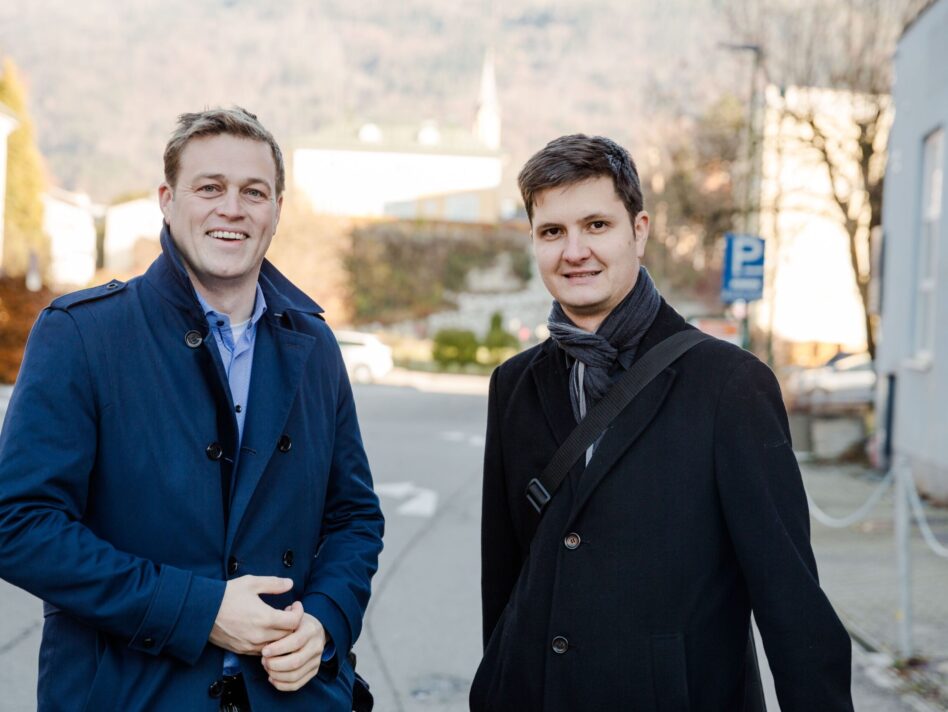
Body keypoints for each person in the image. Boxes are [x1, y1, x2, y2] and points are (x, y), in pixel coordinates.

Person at [0, 107, 384, 711]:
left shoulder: (314, 347)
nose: (232, 208)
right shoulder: (80, 335)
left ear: (277, 210)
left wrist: (326, 622)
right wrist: (199, 611)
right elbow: (19, 525)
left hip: (290, 696)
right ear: (167, 200)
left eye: (253, 192)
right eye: (210, 188)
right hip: (131, 694)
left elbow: (354, 517)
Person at [470, 134, 854, 711]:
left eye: (596, 225)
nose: (574, 250)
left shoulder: (730, 384)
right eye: (553, 232)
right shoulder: (514, 384)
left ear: (639, 230)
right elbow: (503, 581)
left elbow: (790, 598)